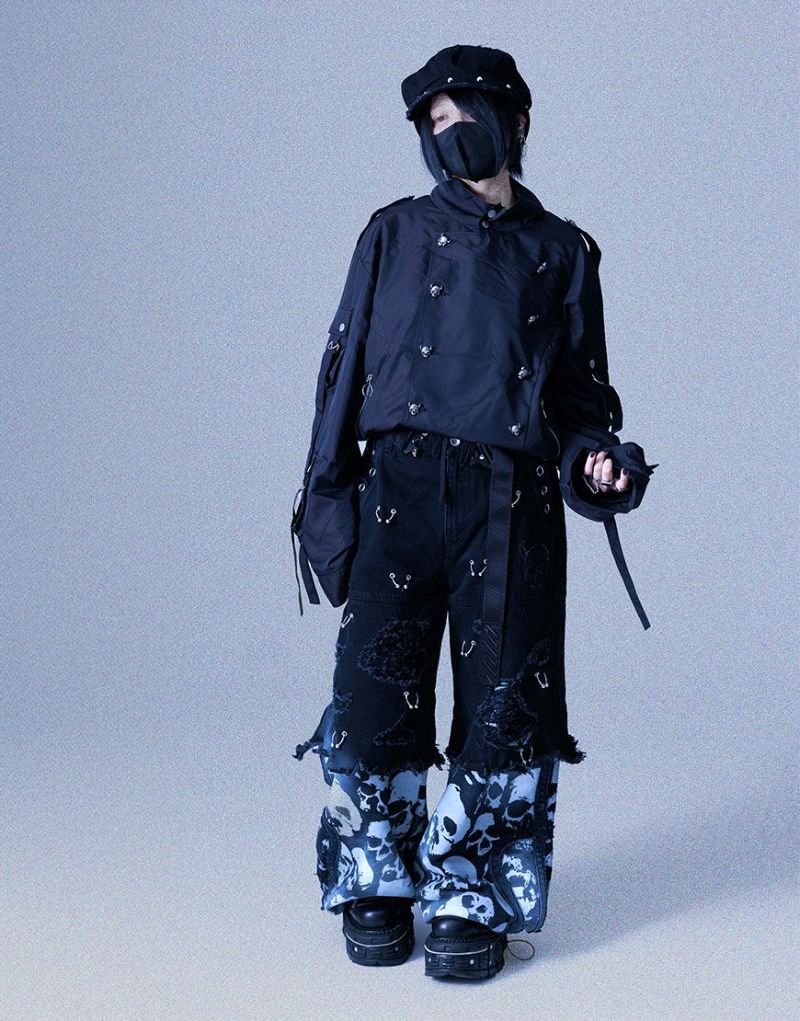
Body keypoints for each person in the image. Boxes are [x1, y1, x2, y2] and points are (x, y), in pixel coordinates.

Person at [290, 43, 658, 981]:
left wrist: (598, 462)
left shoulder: (561, 251)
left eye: (466, 116)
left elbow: (580, 401)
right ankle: (376, 874)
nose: (449, 135)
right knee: (375, 686)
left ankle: (474, 891)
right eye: (435, 123)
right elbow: (340, 373)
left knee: (505, 698)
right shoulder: (393, 233)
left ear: (516, 123)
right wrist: (327, 503)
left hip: (510, 500)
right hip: (397, 488)